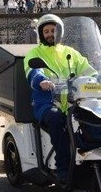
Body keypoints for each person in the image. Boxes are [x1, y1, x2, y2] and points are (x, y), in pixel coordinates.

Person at [25, 14, 96, 181]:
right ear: (41, 34)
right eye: (46, 31)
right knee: (56, 118)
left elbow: (88, 70)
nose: (50, 34)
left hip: (73, 101)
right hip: (46, 102)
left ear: (60, 32)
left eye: (53, 30)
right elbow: (32, 71)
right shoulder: (34, 53)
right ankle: (62, 166)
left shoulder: (71, 52)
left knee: (94, 117)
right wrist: (41, 81)